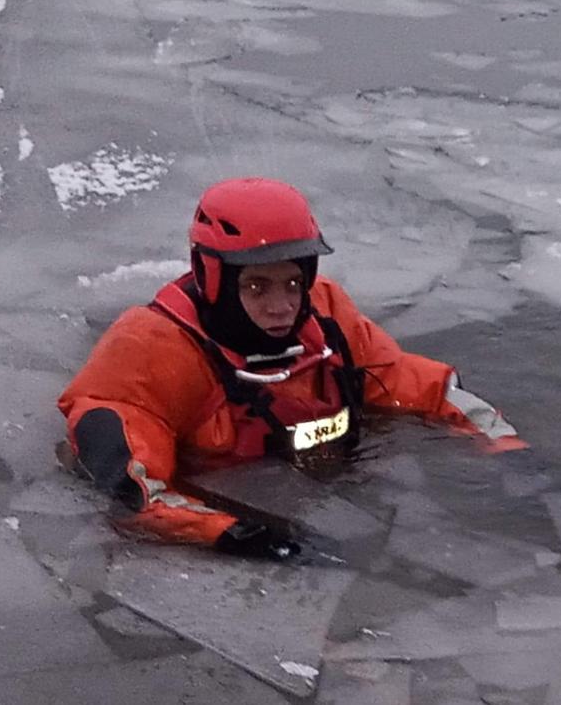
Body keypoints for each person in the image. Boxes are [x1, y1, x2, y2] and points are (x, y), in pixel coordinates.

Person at [58, 178, 519, 559]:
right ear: (214, 277)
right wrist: (235, 534)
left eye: (293, 283)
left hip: (329, 492)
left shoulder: (328, 316)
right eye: (257, 286)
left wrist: (506, 445)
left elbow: (419, 384)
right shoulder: (153, 350)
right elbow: (137, 491)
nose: (281, 306)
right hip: (241, 519)